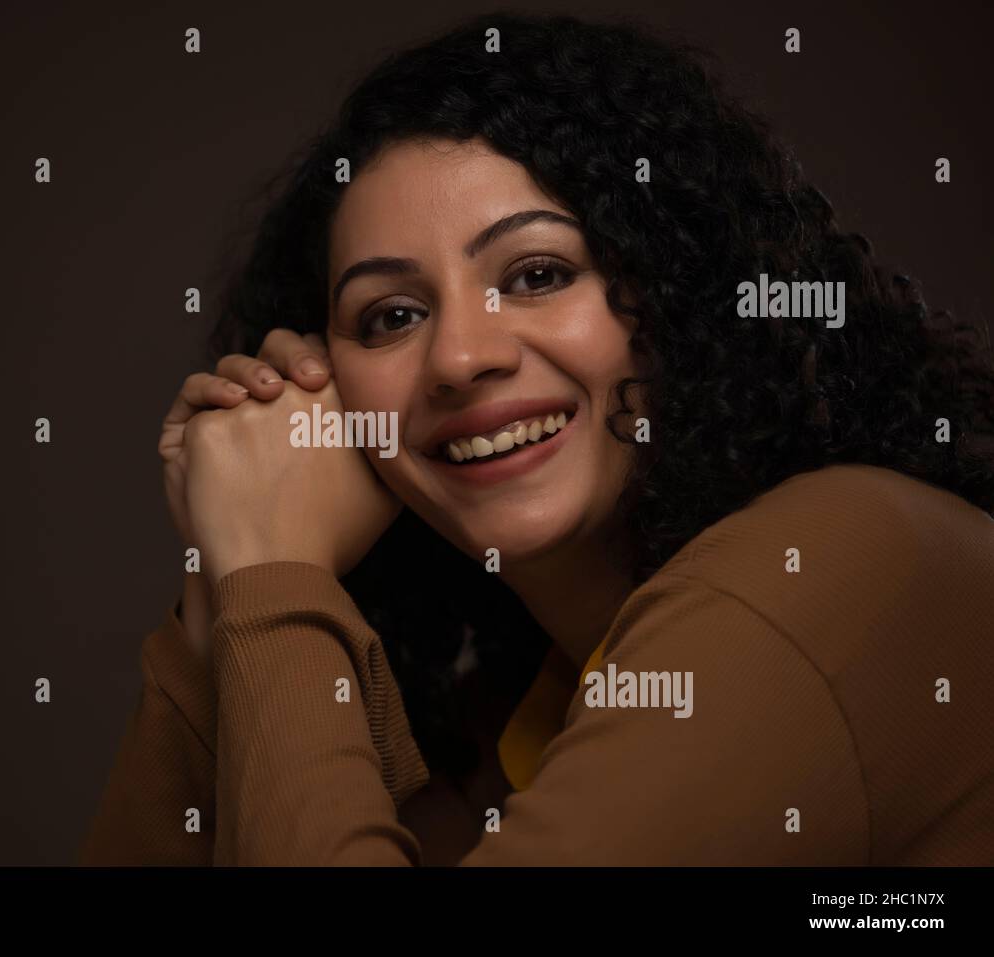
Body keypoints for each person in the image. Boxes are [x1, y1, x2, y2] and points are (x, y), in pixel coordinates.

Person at [81, 12, 994, 866]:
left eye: (536, 273)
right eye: (392, 314)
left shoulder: (830, 563)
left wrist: (272, 577)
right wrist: (228, 581)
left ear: (681, 290)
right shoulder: (526, 719)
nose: (460, 357)